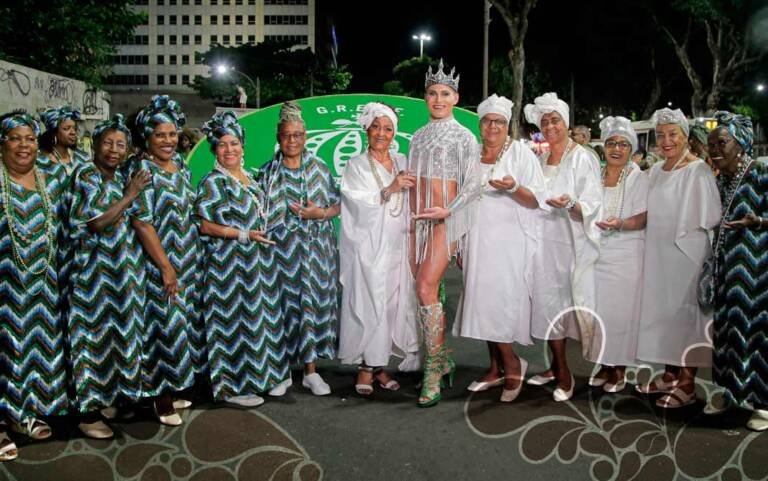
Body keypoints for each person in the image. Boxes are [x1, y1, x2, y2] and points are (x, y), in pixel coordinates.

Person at [414, 94, 546, 402]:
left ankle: (513, 364)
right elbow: (462, 198)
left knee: (499, 304)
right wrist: (458, 237)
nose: (492, 127)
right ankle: (495, 368)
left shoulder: (520, 153)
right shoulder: (471, 153)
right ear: (480, 124)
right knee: (482, 301)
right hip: (476, 238)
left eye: (499, 122)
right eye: (487, 121)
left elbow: (536, 199)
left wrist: (514, 188)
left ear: (507, 125)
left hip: (508, 242)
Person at [196, 111, 290, 407]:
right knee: (231, 322)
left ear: (242, 146)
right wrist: (243, 234)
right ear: (214, 149)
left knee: (258, 320)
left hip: (257, 263)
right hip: (227, 264)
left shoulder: (250, 177)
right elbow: (205, 225)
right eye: (222, 144)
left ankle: (265, 377)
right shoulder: (213, 182)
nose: (229, 150)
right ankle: (232, 388)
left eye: (234, 143)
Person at [66, 114, 151, 438]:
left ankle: (108, 400)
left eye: (120, 144)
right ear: (95, 146)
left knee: (116, 340)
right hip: (93, 278)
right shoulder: (86, 175)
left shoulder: (118, 178)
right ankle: (87, 414)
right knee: (91, 340)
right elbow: (95, 223)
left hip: (120, 276)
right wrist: (130, 195)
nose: (114, 150)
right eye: (108, 143)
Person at [634, 108, 721, 408]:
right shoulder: (657, 170)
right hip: (659, 254)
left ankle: (687, 383)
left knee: (685, 319)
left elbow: (710, 216)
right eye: (661, 135)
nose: (666, 141)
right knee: (663, 316)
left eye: (673, 134)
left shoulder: (698, 170)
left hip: (688, 256)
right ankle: (670, 375)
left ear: (686, 137)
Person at [523, 93, 602, 402]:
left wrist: (571, 204)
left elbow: (593, 202)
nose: (550, 126)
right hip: (541, 245)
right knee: (545, 305)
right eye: (544, 122)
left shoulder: (582, 157)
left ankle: (565, 373)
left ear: (566, 124)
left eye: (555, 120)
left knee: (562, 308)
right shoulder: (540, 160)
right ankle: (555, 366)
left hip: (569, 244)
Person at [258, 101, 340, 396]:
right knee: (281, 309)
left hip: (316, 253)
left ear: (305, 137)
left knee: (311, 308)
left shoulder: (320, 168)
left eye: (297, 135)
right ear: (278, 138)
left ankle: (311, 372)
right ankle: (282, 372)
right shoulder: (267, 173)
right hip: (279, 256)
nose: (292, 141)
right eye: (286, 135)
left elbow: (338, 204)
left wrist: (321, 213)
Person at [338, 102, 419, 395]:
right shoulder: (356, 164)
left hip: (399, 244)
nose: (381, 133)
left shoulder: (402, 160)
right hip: (369, 246)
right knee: (370, 302)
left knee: (391, 305)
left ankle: (379, 365)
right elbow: (355, 203)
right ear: (366, 129)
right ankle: (365, 367)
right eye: (376, 127)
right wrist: (390, 188)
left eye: (388, 128)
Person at [0, 111, 68, 461]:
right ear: (2, 144)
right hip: (5, 285)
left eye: (29, 138)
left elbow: (70, 223)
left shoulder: (51, 179)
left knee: (32, 349)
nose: (24, 145)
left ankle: (22, 413)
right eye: (15, 138)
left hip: (42, 283)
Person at [409, 59, 476, 407]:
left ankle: (433, 370)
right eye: (433, 93)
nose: (438, 99)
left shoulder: (464, 137)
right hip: (417, 221)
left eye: (445, 94)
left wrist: (449, 212)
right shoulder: (417, 137)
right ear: (426, 97)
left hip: (445, 220)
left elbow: (474, 184)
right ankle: (442, 357)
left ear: (456, 98)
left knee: (425, 286)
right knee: (426, 290)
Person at [128, 95, 198, 425]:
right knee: (162, 328)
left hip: (186, 258)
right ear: (147, 137)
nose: (168, 141)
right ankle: (159, 397)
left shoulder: (180, 165)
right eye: (160, 135)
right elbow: (142, 222)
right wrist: (166, 267)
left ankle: (172, 384)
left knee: (180, 327)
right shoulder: (142, 170)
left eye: (172, 134)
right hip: (159, 262)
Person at [704, 111, 768, 431]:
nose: (715, 148)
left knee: (756, 332)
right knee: (728, 330)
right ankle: (732, 394)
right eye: (712, 144)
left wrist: (759, 222)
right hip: (727, 268)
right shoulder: (721, 179)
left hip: (758, 271)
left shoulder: (759, 172)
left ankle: (764, 405)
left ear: (741, 144)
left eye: (723, 142)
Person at [588, 117, 649, 393]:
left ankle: (620, 369)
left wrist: (621, 224)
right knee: (599, 312)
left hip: (626, 253)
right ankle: (604, 363)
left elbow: (644, 216)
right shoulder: (595, 175)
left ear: (631, 149)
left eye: (623, 144)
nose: (616, 148)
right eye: (611, 143)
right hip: (595, 253)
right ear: (604, 146)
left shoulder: (638, 178)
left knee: (621, 314)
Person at [38, 106, 90, 176]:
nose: (73, 132)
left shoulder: (83, 158)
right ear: (54, 132)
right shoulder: (41, 161)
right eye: (66, 128)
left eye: (74, 128)